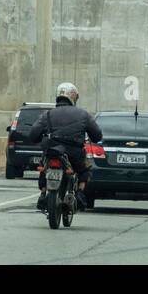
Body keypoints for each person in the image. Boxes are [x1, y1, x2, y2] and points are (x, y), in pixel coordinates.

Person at [27, 82, 102, 211]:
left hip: (52, 151)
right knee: (85, 169)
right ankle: (79, 193)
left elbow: (33, 135)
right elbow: (97, 135)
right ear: (73, 97)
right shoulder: (83, 114)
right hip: (74, 153)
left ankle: (43, 193)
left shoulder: (48, 114)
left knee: (44, 168)